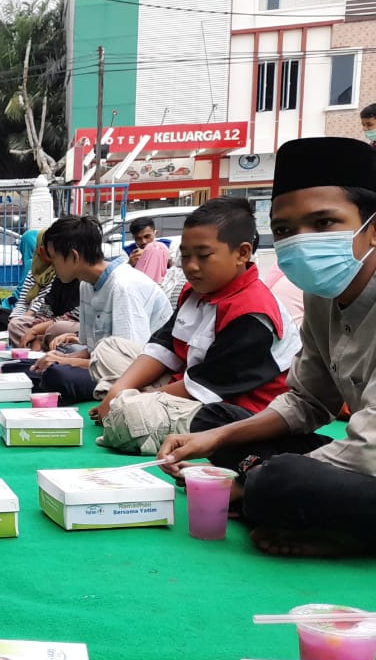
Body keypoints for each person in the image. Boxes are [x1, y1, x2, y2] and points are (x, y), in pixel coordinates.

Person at [158, 136, 376, 558]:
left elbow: (369, 450)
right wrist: (217, 438)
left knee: (278, 482)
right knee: (215, 423)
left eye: (324, 223)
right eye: (284, 230)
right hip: (359, 465)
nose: (301, 241)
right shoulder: (321, 295)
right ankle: (291, 510)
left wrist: (243, 484)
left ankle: (271, 499)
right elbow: (306, 403)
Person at [91, 198, 301, 454]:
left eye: (203, 256)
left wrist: (135, 399)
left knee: (134, 414)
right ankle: (127, 402)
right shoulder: (195, 291)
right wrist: (119, 390)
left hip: (232, 410)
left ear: (242, 253)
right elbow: (163, 346)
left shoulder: (253, 312)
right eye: (185, 255)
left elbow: (205, 387)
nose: (190, 266)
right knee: (109, 350)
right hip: (187, 383)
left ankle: (131, 408)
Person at [20, 214, 172, 405]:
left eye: (54, 258)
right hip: (107, 365)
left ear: (73, 256)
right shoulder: (86, 284)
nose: (52, 265)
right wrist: (61, 357)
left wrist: (66, 362)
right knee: (27, 368)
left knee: (57, 375)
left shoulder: (123, 286)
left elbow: (128, 365)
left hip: (139, 376)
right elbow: (92, 350)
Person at [8, 228, 81, 348]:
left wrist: (37, 331)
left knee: (57, 328)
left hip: (70, 327)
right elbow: (45, 307)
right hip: (52, 321)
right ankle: (34, 354)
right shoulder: (57, 274)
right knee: (17, 324)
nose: (53, 263)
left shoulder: (86, 281)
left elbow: (73, 316)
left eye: (54, 257)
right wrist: (37, 330)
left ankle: (43, 354)